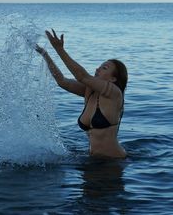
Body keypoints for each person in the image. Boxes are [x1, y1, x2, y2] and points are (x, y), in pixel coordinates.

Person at [36, 29, 128, 159]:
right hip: (92, 161)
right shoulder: (89, 91)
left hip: (114, 162)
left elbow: (82, 76)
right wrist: (44, 54)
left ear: (113, 79)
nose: (97, 69)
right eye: (99, 66)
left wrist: (59, 49)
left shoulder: (114, 93)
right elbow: (62, 81)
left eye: (104, 68)